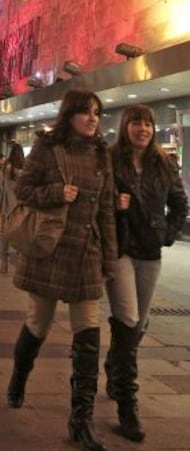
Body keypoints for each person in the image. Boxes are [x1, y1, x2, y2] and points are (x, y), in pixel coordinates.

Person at [7, 89, 117, 451]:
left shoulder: (102, 154)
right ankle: (20, 374)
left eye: (97, 113)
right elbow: (23, 190)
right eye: (86, 112)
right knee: (38, 322)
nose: (92, 119)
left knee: (88, 334)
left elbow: (106, 212)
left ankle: (80, 419)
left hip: (86, 254)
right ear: (70, 114)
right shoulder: (48, 147)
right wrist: (56, 192)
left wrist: (109, 260)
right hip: (51, 249)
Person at [105, 104, 188, 443]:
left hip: (150, 252)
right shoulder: (111, 161)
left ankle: (114, 366)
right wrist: (114, 205)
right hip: (121, 250)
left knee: (138, 324)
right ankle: (128, 404)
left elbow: (180, 205)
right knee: (127, 318)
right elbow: (96, 201)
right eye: (136, 122)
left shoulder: (164, 163)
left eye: (148, 123)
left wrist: (166, 234)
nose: (143, 128)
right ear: (126, 126)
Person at [0, 143, 25, 272]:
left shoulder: (6, 167)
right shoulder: (25, 168)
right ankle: (20, 262)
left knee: (5, 234)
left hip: (7, 203)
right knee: (21, 232)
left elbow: (0, 183)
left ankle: (4, 264)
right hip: (20, 205)